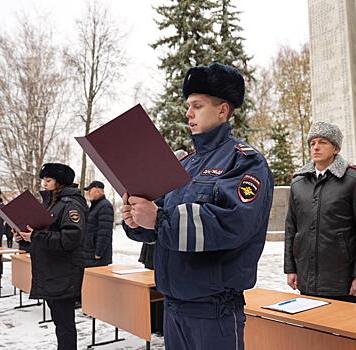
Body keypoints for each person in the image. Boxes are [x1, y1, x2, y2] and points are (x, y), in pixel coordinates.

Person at [122, 62, 274, 350]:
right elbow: (160, 217)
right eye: (188, 106)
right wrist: (136, 219)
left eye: (197, 105)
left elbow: (231, 223)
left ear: (223, 110)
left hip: (213, 309)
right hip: (174, 305)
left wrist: (158, 220)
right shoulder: (184, 164)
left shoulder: (244, 161)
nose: (188, 113)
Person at [284, 121, 356, 304]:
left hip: (343, 279)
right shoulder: (298, 183)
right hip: (306, 277)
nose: (316, 147)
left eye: (323, 142)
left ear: (335, 148)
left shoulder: (354, 179)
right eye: (312, 143)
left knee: (344, 331)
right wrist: (291, 269)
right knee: (310, 332)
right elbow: (291, 229)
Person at [15, 163, 87, 350]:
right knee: (59, 322)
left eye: (48, 180)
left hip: (63, 271)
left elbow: (71, 238)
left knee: (64, 324)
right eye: (43, 180)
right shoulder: (49, 203)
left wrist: (36, 236)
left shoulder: (71, 204)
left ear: (60, 182)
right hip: (51, 270)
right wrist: (25, 238)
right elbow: (44, 235)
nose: (44, 184)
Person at [82, 180, 114, 267]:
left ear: (97, 191)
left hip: (96, 256)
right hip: (90, 253)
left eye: (89, 191)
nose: (88, 193)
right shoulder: (95, 206)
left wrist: (99, 253)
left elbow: (104, 232)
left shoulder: (105, 206)